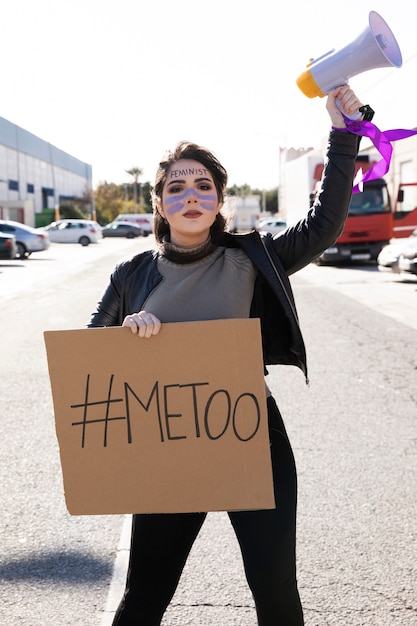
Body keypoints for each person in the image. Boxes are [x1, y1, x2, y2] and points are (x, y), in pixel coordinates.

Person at [88, 85, 365, 626]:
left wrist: (342, 134)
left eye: (203, 184)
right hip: (169, 449)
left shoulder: (251, 259)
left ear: (218, 199)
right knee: (144, 597)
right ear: (160, 205)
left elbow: (324, 224)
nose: (190, 194)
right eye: (176, 186)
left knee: (275, 591)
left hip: (251, 437)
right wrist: (125, 334)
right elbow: (89, 360)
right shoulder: (132, 274)